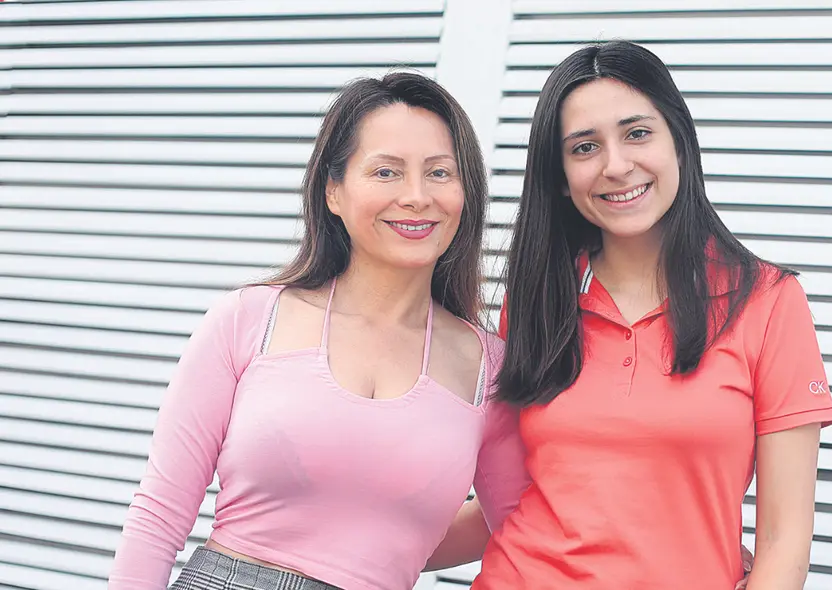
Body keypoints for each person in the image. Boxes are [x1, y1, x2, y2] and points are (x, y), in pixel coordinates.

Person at [109, 72, 529, 590]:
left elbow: (516, 526)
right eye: (386, 172)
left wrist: (392, 546)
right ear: (334, 191)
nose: (418, 196)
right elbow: (158, 515)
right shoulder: (248, 319)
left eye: (440, 173)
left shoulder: (489, 368)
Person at [470, 40, 832, 589]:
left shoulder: (767, 301)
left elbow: (785, 545)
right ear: (561, 178)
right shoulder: (536, 303)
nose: (617, 166)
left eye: (637, 133)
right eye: (584, 147)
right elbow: (508, 500)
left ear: (679, 142)